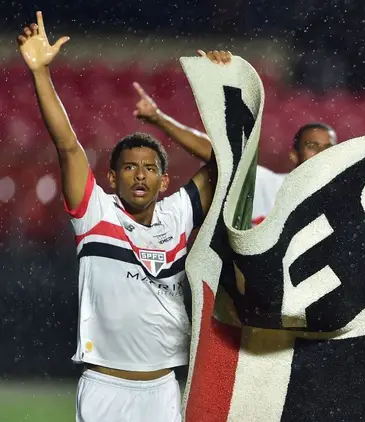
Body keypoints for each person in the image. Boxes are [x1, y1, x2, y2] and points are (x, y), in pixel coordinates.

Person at [18, 12, 219, 422]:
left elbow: (225, 161)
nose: (140, 174)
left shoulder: (178, 213)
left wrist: (219, 95)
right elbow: (68, 146)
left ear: (164, 181)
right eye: (129, 167)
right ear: (112, 177)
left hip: (163, 389)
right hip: (104, 390)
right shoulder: (96, 211)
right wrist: (41, 73)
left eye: (149, 168)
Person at [132, 56, 337, 225]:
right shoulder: (266, 185)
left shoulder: (347, 200)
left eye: (328, 147)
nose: (321, 152)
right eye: (312, 146)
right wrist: (158, 118)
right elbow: (222, 153)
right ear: (294, 154)